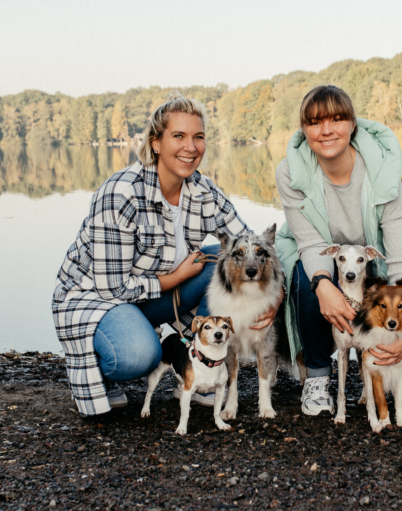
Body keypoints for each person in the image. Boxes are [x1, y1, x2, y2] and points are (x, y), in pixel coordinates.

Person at [52, 93, 279, 417]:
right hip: (95, 300)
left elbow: (248, 242)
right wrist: (175, 278)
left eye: (198, 137)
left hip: (153, 292)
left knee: (223, 257)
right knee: (137, 355)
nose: (191, 147)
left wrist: (276, 294)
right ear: (156, 142)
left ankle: (195, 370)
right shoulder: (121, 193)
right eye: (179, 136)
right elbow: (111, 289)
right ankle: (99, 368)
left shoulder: (204, 190)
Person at [275, 85, 402, 416]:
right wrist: (325, 286)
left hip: (371, 263)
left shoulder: (382, 170)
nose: (325, 130)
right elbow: (310, 244)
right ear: (304, 130)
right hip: (317, 254)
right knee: (312, 279)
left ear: (353, 124)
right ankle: (318, 376)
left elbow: (401, 259)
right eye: (314, 122)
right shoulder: (288, 172)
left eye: (336, 119)